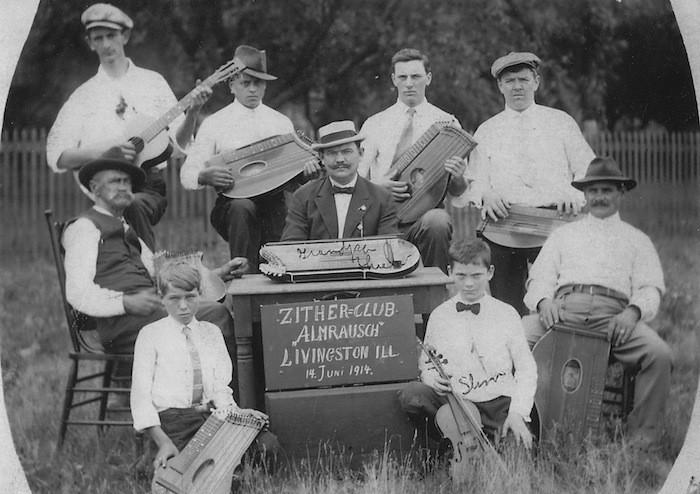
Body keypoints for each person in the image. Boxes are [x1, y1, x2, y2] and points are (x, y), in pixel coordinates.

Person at [521, 156, 673, 448]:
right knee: (517, 338)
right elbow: (539, 278)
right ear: (585, 194)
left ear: (621, 193)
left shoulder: (637, 239)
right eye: (593, 191)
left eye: (607, 190)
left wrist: (632, 313)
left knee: (659, 354)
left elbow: (650, 288)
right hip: (564, 311)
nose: (600, 197)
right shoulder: (563, 234)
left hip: (614, 319)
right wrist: (542, 302)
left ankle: (641, 442)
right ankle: (524, 425)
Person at [46, 3, 211, 251]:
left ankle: (146, 280)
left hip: (148, 186)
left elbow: (179, 144)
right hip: (103, 191)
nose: (106, 44)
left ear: (125, 36)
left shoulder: (152, 83)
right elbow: (57, 156)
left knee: (131, 204)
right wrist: (103, 150)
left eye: (111, 36)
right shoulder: (83, 96)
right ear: (90, 43)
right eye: (98, 38)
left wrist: (193, 112)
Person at [62, 149, 246, 366]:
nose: (122, 186)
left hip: (151, 313)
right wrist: (126, 303)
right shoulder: (84, 227)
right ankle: (234, 396)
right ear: (95, 188)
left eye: (126, 181)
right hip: (121, 325)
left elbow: (164, 273)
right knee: (216, 316)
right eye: (114, 181)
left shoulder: (126, 229)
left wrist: (215, 275)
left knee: (216, 313)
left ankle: (214, 393)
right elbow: (77, 292)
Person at [467, 52, 596, 315]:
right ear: (500, 86)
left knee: (559, 303)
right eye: (510, 80)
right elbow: (476, 181)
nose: (517, 86)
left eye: (524, 79)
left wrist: (574, 191)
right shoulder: (487, 130)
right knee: (507, 309)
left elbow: (589, 169)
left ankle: (553, 353)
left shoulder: (560, 122)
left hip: (554, 224)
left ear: (536, 82)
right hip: (504, 227)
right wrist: (487, 195)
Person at [181, 45, 322, 271]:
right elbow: (186, 174)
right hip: (232, 205)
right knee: (242, 208)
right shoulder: (215, 123)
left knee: (280, 234)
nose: (253, 89)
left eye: (258, 83)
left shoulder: (280, 122)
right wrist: (204, 176)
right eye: (245, 83)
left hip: (274, 203)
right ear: (231, 86)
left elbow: (292, 174)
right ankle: (242, 281)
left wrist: (308, 174)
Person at [130, 259, 277, 474]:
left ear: (200, 293)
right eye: (174, 298)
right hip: (172, 423)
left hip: (211, 417)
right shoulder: (150, 335)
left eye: (190, 297)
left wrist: (238, 415)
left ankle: (233, 474)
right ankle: (153, 461)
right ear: (162, 299)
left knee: (266, 445)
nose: (183, 306)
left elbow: (220, 388)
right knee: (183, 474)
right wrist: (163, 441)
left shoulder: (211, 332)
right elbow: (141, 398)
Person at [398, 239, 537, 451]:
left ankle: (487, 442)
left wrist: (517, 413)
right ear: (450, 272)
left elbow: (527, 368)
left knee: (516, 456)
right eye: (461, 276)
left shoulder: (507, 313)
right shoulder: (440, 315)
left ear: (489, 272)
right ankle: (452, 444)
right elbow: (427, 363)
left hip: (497, 403)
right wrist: (433, 379)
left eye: (476, 276)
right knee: (412, 395)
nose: (469, 284)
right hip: (457, 404)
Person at [358, 48, 471, 273]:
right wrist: (379, 188)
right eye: (402, 77)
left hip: (425, 217)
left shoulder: (447, 123)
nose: (409, 83)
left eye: (416, 76)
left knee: (438, 220)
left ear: (428, 78)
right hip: (382, 218)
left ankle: (434, 300)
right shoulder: (375, 123)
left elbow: (458, 193)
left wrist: (458, 177)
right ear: (393, 80)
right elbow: (356, 179)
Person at [282, 120, 399, 241]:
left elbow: (388, 249)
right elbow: (290, 247)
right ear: (322, 158)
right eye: (331, 153)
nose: (340, 159)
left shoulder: (382, 199)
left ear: (361, 154)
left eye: (346, 152)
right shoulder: (303, 197)